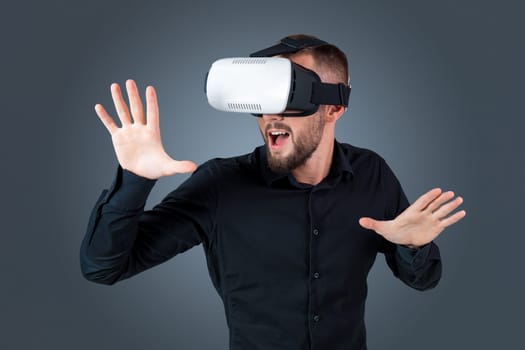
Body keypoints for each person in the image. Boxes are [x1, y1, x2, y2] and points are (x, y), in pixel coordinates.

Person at [80, 34, 466, 350]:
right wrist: (135, 180)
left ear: (333, 108)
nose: (271, 117)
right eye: (262, 102)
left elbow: (423, 279)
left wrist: (413, 247)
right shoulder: (221, 186)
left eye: (289, 97)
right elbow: (104, 266)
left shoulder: (371, 174)